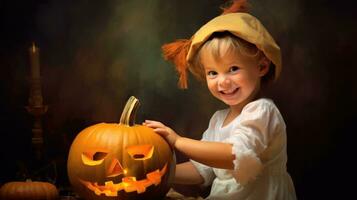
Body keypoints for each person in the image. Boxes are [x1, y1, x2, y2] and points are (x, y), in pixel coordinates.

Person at [144, 0, 297, 199]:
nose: (223, 82)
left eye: (233, 69)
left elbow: (235, 156)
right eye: (213, 73)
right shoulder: (218, 119)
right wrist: (160, 174)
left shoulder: (263, 111)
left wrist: (178, 141)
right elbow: (202, 170)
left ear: (261, 67)